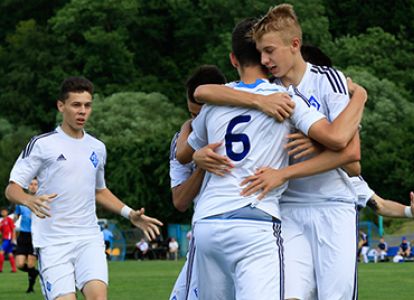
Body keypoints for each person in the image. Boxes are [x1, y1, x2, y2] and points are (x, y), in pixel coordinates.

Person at [176, 17, 366, 300]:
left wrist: (358, 97)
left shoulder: (326, 80)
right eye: (262, 52)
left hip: (326, 204)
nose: (266, 59)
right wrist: (259, 100)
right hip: (274, 211)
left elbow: (351, 157)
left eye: (270, 51)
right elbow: (205, 92)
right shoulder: (278, 94)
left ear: (294, 45)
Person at [5, 76, 163, 300]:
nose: (83, 111)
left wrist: (130, 214)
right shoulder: (42, 144)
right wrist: (28, 200)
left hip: (88, 237)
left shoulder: (97, 148)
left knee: (99, 297)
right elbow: (12, 189)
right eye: (76, 105)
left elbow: (99, 191)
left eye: (87, 105)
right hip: (53, 243)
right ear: (61, 106)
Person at [168, 65, 227, 300]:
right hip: (205, 233)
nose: (195, 122)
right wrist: (201, 166)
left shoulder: (244, 129)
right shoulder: (181, 139)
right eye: (191, 115)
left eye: (201, 115)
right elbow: (180, 200)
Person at [14, 178, 39, 292]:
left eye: (35, 184)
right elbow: (15, 218)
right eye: (31, 184)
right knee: (19, 264)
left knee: (30, 264)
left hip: (36, 236)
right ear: (27, 186)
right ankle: (35, 273)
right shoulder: (21, 202)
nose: (33, 186)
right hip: (23, 235)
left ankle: (30, 288)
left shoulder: (42, 200)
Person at [0, 207, 17, 273]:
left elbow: (13, 229)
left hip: (9, 238)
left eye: (4, 211)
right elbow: (1, 231)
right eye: (2, 212)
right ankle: (14, 269)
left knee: (1, 252)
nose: (3, 212)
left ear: (7, 212)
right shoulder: (2, 221)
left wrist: (13, 238)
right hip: (5, 239)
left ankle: (0, 269)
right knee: (10, 253)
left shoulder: (9, 219)